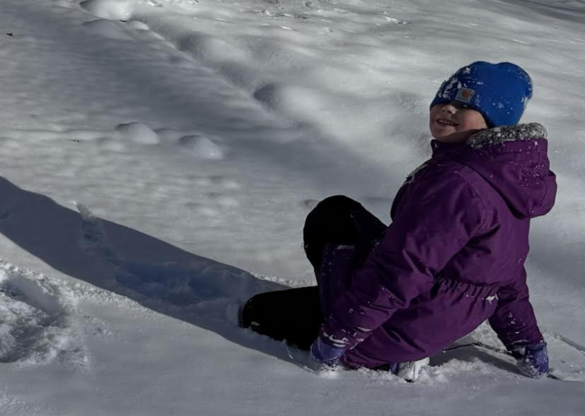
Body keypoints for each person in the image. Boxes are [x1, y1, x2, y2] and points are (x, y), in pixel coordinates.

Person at [236, 61, 556, 379]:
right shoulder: (506, 179)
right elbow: (506, 276)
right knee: (338, 213)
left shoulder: (457, 185)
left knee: (257, 312)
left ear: (494, 121)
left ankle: (378, 351)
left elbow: (401, 270)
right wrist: (528, 344)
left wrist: (339, 337)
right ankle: (354, 313)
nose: (448, 109)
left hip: (397, 329)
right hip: (438, 315)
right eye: (444, 99)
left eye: (465, 105)